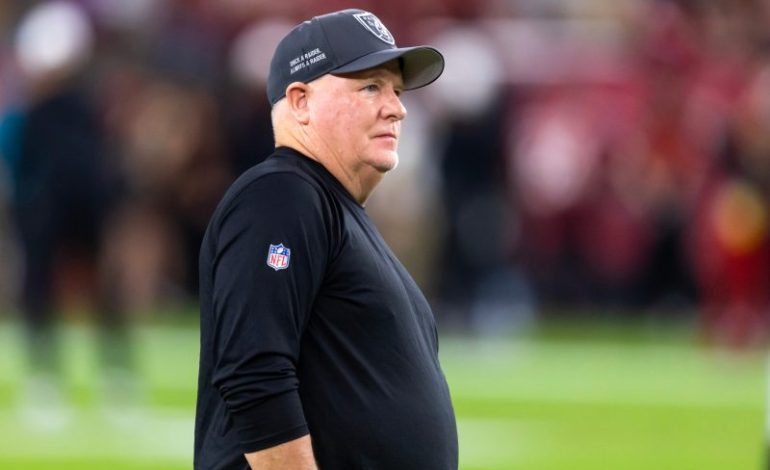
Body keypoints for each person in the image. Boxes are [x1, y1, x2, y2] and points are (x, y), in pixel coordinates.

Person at [194, 9, 457, 470]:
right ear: (300, 102)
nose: (397, 108)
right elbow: (254, 373)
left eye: (396, 91)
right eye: (371, 87)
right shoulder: (281, 196)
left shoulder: (330, 208)